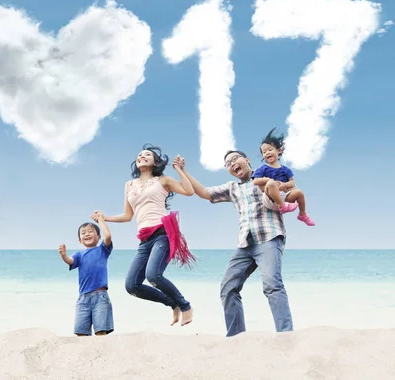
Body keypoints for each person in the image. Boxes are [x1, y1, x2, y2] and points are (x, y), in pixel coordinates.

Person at [174, 151, 293, 337]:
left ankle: (286, 335)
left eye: (234, 159)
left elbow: (287, 191)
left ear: (246, 159)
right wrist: (183, 171)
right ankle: (236, 337)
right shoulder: (232, 188)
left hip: (269, 236)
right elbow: (205, 193)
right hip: (245, 243)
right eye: (228, 163)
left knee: (272, 284)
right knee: (228, 287)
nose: (232, 164)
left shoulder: (266, 176)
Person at [92, 143, 196, 327]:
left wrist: (180, 170)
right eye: (139, 155)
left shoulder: (162, 180)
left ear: (156, 162)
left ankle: (185, 306)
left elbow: (188, 191)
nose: (142, 156)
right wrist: (104, 217)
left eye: (147, 154)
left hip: (162, 233)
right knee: (132, 285)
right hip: (144, 239)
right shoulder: (129, 185)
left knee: (154, 275)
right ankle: (172, 303)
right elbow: (127, 215)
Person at [58, 214, 114, 336]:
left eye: (90, 231)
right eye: (83, 233)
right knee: (81, 333)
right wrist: (63, 255)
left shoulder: (102, 250)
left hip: (100, 297)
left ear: (99, 237)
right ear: (80, 240)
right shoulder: (79, 254)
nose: (87, 234)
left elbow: (108, 236)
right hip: (83, 298)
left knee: (100, 332)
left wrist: (101, 221)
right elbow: (70, 261)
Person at [253, 128, 315, 226]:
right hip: (270, 199)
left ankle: (302, 214)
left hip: (284, 197)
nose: (267, 153)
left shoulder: (285, 169)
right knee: (271, 183)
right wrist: (268, 179)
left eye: (270, 149)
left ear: (278, 150)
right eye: (264, 152)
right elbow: (255, 181)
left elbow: (292, 182)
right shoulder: (263, 168)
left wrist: (284, 185)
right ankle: (282, 206)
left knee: (299, 192)